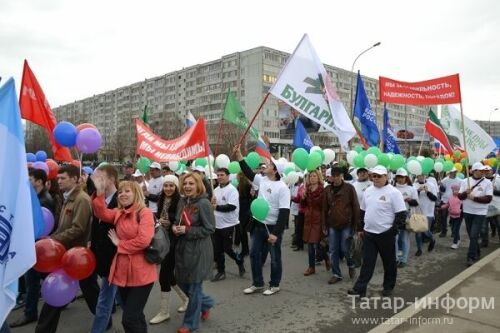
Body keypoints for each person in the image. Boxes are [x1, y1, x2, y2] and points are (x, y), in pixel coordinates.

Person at [91, 178, 157, 333]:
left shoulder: (144, 212)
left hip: (142, 274)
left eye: (127, 191)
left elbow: (144, 241)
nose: (122, 194)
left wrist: (119, 243)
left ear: (136, 194)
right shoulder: (118, 213)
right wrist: (100, 193)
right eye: (120, 192)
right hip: (122, 273)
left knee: (129, 318)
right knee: (136, 316)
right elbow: (100, 212)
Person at [35, 165, 94, 333]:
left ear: (75, 179)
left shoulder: (81, 199)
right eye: (58, 178)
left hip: (75, 255)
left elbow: (78, 228)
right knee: (89, 289)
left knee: (58, 294)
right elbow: (63, 227)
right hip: (66, 252)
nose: (58, 181)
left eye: (63, 178)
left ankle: (104, 317)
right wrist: (53, 237)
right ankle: (105, 315)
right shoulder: (67, 196)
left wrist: (53, 239)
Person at [234, 145, 290, 296]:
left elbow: (284, 212)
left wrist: (276, 233)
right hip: (258, 225)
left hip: (272, 228)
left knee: (274, 258)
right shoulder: (262, 180)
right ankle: (257, 283)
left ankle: (274, 284)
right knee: (253, 254)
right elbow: (247, 171)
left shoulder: (283, 188)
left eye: (270, 165)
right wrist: (239, 155)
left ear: (276, 170)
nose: (266, 165)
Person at [348, 165, 407, 298]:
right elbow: (363, 211)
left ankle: (388, 287)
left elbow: (401, 215)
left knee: (389, 263)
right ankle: (360, 288)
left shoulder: (394, 192)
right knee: (367, 263)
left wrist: (393, 231)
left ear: (386, 177)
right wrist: (360, 228)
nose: (376, 178)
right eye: (374, 176)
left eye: (379, 176)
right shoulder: (368, 191)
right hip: (369, 234)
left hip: (385, 234)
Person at [10, 169, 55, 328]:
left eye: (30, 179)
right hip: (34, 246)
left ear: (39, 182)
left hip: (39, 247)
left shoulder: (44, 201)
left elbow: (42, 225)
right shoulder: (35, 197)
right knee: (34, 280)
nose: (27, 182)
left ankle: (31, 312)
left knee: (36, 280)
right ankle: (32, 311)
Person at [173, 172, 215, 333]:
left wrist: (188, 230)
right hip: (183, 249)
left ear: (198, 185)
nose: (187, 186)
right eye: (185, 184)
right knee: (182, 282)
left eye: (191, 183)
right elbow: (178, 220)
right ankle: (206, 303)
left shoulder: (204, 203)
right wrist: (174, 228)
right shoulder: (182, 201)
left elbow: (210, 228)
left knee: (195, 287)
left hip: (199, 250)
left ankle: (190, 324)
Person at [150, 175, 189, 325]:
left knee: (164, 275)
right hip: (163, 239)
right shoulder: (161, 199)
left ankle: (164, 312)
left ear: (176, 187)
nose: (168, 188)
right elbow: (161, 215)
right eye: (166, 185)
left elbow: (181, 219)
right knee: (169, 276)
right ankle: (186, 299)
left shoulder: (180, 200)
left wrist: (170, 221)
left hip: (174, 241)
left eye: (171, 185)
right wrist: (159, 221)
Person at [89, 165, 119, 333]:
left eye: (100, 178)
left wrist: (99, 195)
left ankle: (98, 329)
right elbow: (95, 226)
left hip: (115, 258)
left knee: (104, 301)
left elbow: (106, 216)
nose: (96, 181)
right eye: (95, 178)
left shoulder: (122, 199)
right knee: (118, 296)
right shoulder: (96, 198)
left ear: (112, 179)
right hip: (100, 256)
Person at [321, 166, 359, 284]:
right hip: (332, 224)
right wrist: (324, 224)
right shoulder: (327, 190)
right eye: (334, 176)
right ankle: (336, 274)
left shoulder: (349, 188)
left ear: (342, 176)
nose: (336, 178)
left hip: (346, 223)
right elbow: (324, 209)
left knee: (345, 248)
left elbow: (355, 206)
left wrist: (355, 225)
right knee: (333, 250)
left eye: (338, 175)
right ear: (331, 176)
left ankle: (351, 264)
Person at [211, 168, 245, 282]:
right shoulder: (215, 190)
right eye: (218, 175)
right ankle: (221, 272)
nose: (219, 177)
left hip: (230, 224)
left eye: (222, 175)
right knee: (218, 250)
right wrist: (212, 204)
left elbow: (232, 206)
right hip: (217, 225)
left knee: (227, 249)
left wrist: (217, 207)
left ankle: (239, 261)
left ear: (228, 176)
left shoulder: (232, 190)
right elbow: (213, 205)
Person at [458, 162, 493, 266]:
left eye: (483, 170)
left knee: (474, 235)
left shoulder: (487, 183)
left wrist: (474, 198)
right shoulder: (465, 181)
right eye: (480, 170)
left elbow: (488, 198)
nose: (482, 172)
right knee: (471, 235)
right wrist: (465, 193)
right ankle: (477, 251)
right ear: (473, 171)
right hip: (467, 211)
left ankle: (470, 256)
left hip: (480, 212)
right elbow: (460, 196)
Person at [393, 168, 419, 268]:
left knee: (404, 238)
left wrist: (409, 200)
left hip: (406, 214)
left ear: (406, 178)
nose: (400, 179)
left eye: (402, 177)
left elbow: (416, 203)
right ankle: (395, 258)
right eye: (398, 177)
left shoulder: (411, 189)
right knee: (394, 238)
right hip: (395, 215)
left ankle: (403, 259)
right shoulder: (392, 188)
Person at [302, 170, 325, 276]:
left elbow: (323, 205)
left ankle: (326, 257)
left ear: (318, 177)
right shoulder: (307, 189)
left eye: (314, 176)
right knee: (311, 244)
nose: (312, 178)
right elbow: (303, 204)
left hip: (318, 218)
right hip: (308, 218)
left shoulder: (322, 190)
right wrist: (303, 197)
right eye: (310, 176)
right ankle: (311, 267)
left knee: (318, 242)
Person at [414, 174, 437, 256]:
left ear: (425, 176)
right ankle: (419, 249)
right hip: (418, 212)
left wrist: (427, 192)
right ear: (417, 176)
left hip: (429, 212)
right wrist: (418, 191)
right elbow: (413, 199)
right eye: (419, 175)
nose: (421, 177)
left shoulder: (431, 185)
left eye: (422, 175)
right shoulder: (414, 185)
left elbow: (435, 198)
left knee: (425, 230)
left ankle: (432, 239)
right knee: (418, 232)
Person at [234, 172, 253, 257]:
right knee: (243, 230)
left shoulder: (242, 186)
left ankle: (245, 250)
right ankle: (246, 249)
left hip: (242, 208)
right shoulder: (247, 184)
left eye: (237, 176)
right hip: (245, 207)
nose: (236, 178)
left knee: (242, 231)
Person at [438, 168, 461, 237]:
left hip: (455, 201)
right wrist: (441, 185)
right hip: (445, 200)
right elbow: (442, 190)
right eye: (451, 172)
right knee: (443, 216)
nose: (453, 173)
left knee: (454, 217)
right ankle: (443, 231)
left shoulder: (459, 180)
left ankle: (454, 231)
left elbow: (461, 190)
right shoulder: (445, 180)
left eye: (454, 172)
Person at [441, 184, 463, 249]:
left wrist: (461, 210)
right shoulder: (450, 198)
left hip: (459, 216)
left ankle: (455, 243)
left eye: (457, 190)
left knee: (456, 229)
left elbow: (464, 206)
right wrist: (443, 206)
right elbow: (448, 204)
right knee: (453, 229)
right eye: (454, 190)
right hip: (452, 215)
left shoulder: (461, 198)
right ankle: (458, 240)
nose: (455, 191)